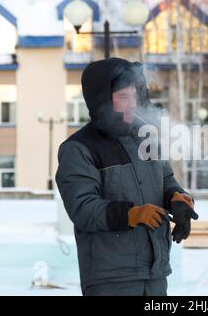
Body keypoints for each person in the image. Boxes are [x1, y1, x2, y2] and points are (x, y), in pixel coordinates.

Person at [55, 57, 198, 296]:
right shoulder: (79, 148)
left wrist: (177, 198)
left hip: (154, 274)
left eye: (135, 95)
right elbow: (82, 208)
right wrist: (131, 214)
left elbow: (166, 179)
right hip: (110, 279)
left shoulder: (146, 137)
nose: (133, 104)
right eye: (123, 97)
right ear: (102, 100)